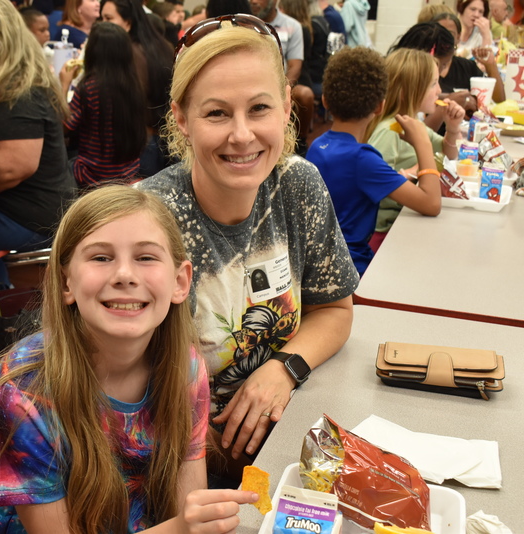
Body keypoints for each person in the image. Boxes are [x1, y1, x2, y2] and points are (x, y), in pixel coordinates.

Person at [137, 15, 359, 483]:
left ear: (284, 108)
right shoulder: (149, 219)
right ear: (181, 118)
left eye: (258, 108)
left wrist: (283, 367)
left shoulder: (298, 186)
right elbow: (124, 385)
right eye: (217, 113)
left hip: (283, 442)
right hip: (180, 464)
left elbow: (335, 309)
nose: (242, 135)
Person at [0, 185, 259, 533]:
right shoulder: (20, 398)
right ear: (65, 283)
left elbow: (186, 504)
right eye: (101, 258)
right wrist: (180, 529)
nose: (124, 275)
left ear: (180, 282)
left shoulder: (186, 368)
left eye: (146, 257)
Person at [307, 47, 441, 276]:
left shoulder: (317, 146)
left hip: (320, 265)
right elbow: (431, 203)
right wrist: (423, 144)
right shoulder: (362, 160)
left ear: (325, 101)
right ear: (380, 106)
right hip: (351, 270)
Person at [0, 0, 75, 255]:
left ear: (4, 45)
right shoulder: (2, 82)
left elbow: (11, 169)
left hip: (31, 219)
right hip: (28, 211)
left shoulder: (19, 93)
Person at [366, 48, 464, 246]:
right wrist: (414, 171)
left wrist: (453, 129)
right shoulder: (390, 130)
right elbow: (372, 184)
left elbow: (449, 154)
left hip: (405, 219)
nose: (439, 90)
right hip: (385, 234)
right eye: (433, 84)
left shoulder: (413, 123)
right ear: (408, 91)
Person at [59, 22, 146, 187]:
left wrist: (64, 84)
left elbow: (64, 127)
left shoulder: (89, 88)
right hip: (127, 172)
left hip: (93, 175)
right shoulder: (134, 84)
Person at [99, 0, 174, 176]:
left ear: (128, 22)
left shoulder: (126, 56)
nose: (102, 24)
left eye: (108, 18)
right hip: (165, 141)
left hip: (138, 147)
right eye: (101, 18)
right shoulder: (163, 47)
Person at [393, 21, 504, 130]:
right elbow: (417, 138)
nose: (439, 90)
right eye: (444, 64)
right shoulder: (397, 103)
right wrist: (444, 107)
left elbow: (500, 100)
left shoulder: (465, 66)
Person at [250, 0, 314, 156]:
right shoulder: (243, 24)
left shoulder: (293, 26)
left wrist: (277, 93)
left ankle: (300, 144)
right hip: (248, 84)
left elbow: (295, 66)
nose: (253, 1)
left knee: (305, 95)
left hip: (280, 82)